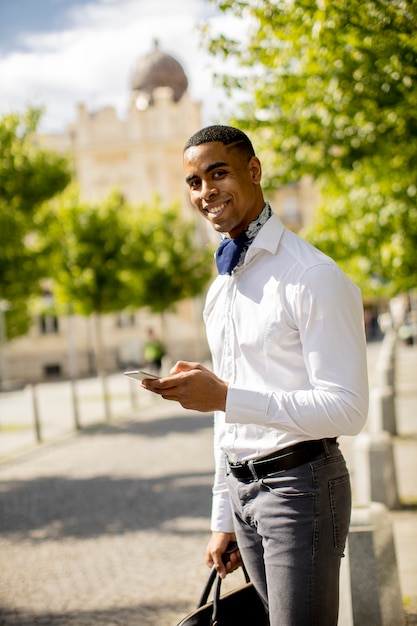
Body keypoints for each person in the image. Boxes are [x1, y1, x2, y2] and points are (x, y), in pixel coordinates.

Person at [141, 125, 369, 625]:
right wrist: (224, 515)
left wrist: (225, 396)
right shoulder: (220, 289)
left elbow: (348, 409)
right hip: (244, 495)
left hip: (301, 487)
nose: (206, 192)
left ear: (254, 170)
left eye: (217, 173)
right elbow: (230, 426)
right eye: (194, 182)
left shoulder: (313, 276)